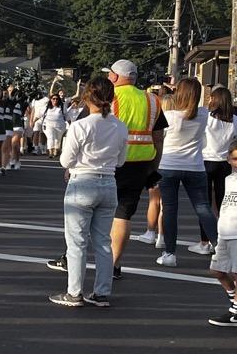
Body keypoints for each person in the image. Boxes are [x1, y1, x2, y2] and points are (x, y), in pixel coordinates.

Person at [48, 59, 166, 280]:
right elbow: (158, 138)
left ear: (114, 77)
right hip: (140, 164)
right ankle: (114, 266)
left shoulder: (108, 98)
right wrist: (153, 168)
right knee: (123, 215)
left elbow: (86, 129)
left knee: (88, 216)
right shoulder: (152, 100)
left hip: (108, 163)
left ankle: (69, 258)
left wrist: (72, 166)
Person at [51, 77, 127, 308]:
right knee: (103, 242)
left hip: (82, 183)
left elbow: (65, 159)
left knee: (77, 242)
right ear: (111, 98)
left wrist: (74, 167)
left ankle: (74, 293)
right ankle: (101, 293)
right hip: (109, 183)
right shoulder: (120, 126)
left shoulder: (80, 125)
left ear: (87, 98)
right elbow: (121, 161)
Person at [155, 77, 218, 266]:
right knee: (203, 208)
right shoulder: (204, 114)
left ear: (178, 93)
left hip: (168, 165)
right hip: (195, 166)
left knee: (170, 210)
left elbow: (158, 138)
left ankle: (170, 254)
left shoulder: (168, 115)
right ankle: (220, 248)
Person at [197, 86, 235, 253]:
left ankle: (205, 242)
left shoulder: (207, 118)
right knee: (223, 204)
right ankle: (222, 240)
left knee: (204, 204)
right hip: (225, 163)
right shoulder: (234, 120)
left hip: (205, 161)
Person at [207, 139, 237, 325]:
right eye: (234, 158)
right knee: (217, 271)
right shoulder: (228, 179)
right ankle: (234, 303)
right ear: (228, 159)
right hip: (224, 232)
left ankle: (236, 310)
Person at [41, 92, 68, 159]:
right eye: (53, 99)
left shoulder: (62, 106)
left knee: (57, 139)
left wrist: (70, 123)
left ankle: (56, 151)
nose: (55, 100)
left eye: (57, 99)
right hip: (48, 125)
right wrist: (33, 121)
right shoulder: (46, 107)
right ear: (51, 99)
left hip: (60, 125)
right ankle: (50, 151)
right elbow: (39, 115)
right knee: (51, 137)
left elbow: (66, 115)